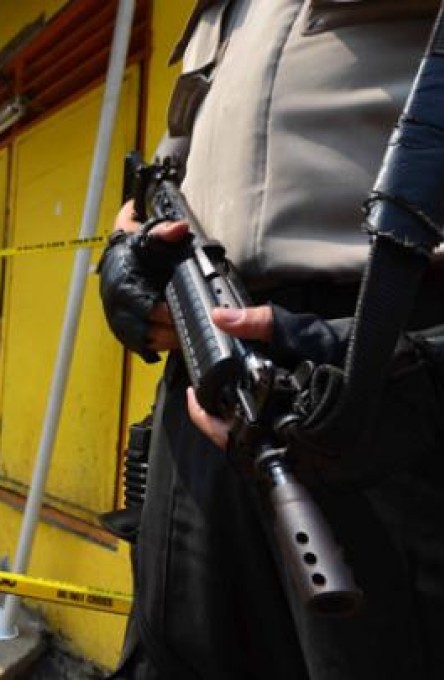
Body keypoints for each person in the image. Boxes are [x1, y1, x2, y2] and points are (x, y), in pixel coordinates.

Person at [97, 1, 444, 678]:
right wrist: (122, 258)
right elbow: (165, 178)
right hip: (208, 373)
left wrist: (426, 362)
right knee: (176, 653)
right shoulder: (221, 10)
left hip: (382, 364)